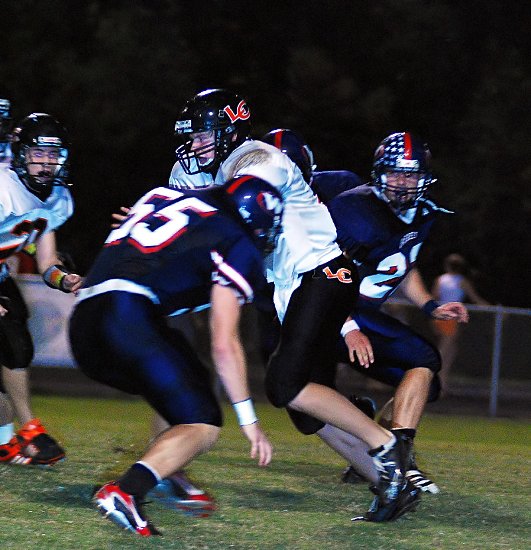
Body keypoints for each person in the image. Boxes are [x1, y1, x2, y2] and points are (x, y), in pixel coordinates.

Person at [170, 89, 420, 523]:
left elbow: (240, 204)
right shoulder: (210, 168)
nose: (195, 146)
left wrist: (188, 213)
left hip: (322, 273)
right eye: (191, 137)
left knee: (284, 384)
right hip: (292, 287)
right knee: (304, 411)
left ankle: (386, 445)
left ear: (229, 132)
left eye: (203, 136)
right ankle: (389, 482)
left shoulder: (256, 159)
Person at [69, 176, 282, 536]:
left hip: (84, 321)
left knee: (185, 374)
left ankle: (167, 470)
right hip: (127, 315)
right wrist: (249, 421)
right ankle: (127, 491)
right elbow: (224, 342)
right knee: (203, 421)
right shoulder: (238, 239)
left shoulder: (164, 196)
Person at [264, 129, 462, 494]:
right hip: (331, 314)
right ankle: (397, 459)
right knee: (422, 360)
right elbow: (325, 274)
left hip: (356, 317)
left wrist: (431, 306)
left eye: (411, 175)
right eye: (396, 173)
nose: (403, 183)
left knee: (425, 383)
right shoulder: (355, 211)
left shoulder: (421, 213)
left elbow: (401, 266)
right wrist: (349, 326)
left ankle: (378, 452)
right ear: (379, 173)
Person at [0, 113, 82, 466]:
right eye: (38, 154)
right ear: (21, 155)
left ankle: (6, 441)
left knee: (15, 345)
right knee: (11, 340)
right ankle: (29, 429)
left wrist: (64, 280)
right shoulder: (4, 188)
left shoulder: (57, 198)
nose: (47, 162)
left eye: (53, 154)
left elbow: (47, 262)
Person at [432, 253, 490, 392]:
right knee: (444, 349)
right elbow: (475, 299)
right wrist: (490, 308)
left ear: (447, 265)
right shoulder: (461, 281)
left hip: (442, 316)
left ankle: (442, 381)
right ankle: (434, 382)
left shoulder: (440, 280)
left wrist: (432, 317)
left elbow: (433, 298)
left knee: (451, 349)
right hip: (449, 317)